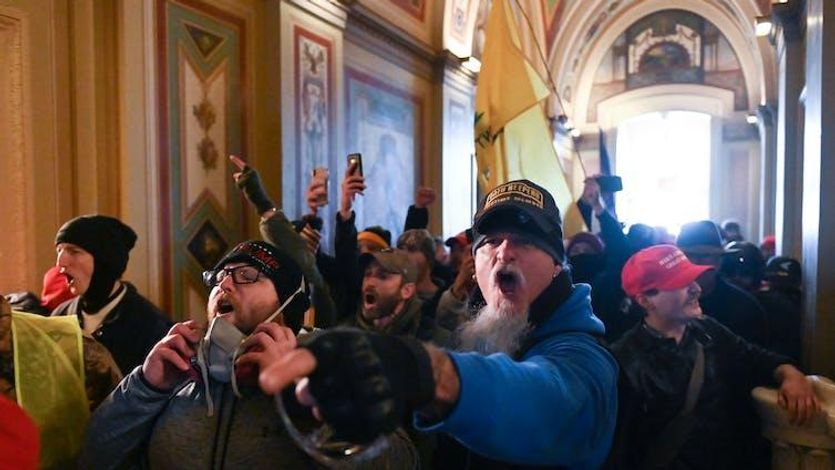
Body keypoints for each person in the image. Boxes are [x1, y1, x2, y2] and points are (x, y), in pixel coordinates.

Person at [260, 179, 619, 468]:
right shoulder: (477, 338)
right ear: (475, 269)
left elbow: (543, 399)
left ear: (558, 264)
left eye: (526, 240)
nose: (504, 251)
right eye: (491, 241)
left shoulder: (585, 358)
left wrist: (427, 372)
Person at [80, 240, 417, 469]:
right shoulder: (178, 369)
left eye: (246, 276)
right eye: (219, 277)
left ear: (287, 307)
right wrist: (145, 387)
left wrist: (305, 399)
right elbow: (93, 459)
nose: (225, 285)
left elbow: (401, 461)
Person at [611, 244, 819, 469]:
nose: (696, 289)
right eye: (680, 283)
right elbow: (622, 451)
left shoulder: (707, 330)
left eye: (693, 279)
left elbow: (756, 358)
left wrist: (790, 374)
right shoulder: (624, 361)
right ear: (645, 300)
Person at [51, 215, 171, 374]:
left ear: (104, 261)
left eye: (74, 251)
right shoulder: (59, 317)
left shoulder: (152, 326)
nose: (60, 262)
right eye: (59, 250)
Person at [676, 220, 769, 346]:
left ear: (719, 262)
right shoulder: (658, 302)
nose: (696, 263)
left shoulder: (744, 307)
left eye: (705, 256)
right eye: (689, 256)